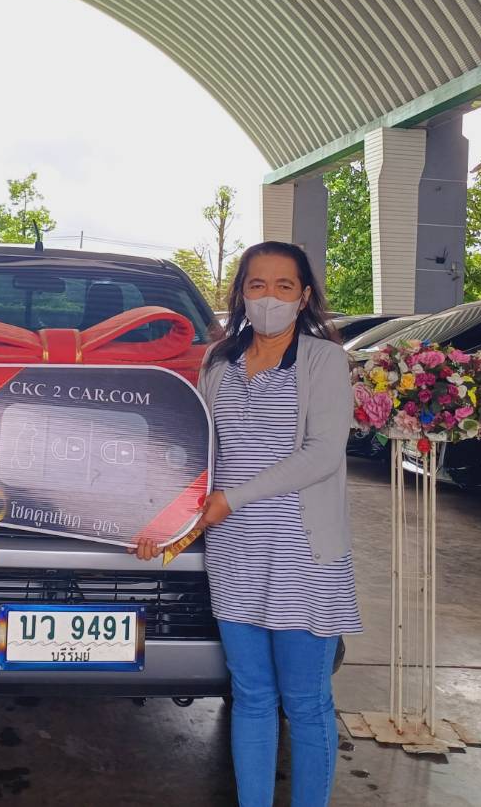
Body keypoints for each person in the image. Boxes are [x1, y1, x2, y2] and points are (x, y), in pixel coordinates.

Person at [139, 240, 357, 807]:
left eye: (285, 286)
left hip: (303, 556)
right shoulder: (218, 362)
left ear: (304, 297)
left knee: (306, 702)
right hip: (235, 554)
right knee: (253, 696)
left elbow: (323, 453)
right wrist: (157, 517)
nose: (270, 297)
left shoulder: (324, 360)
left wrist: (233, 499)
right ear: (240, 293)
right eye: (257, 284)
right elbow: (198, 451)